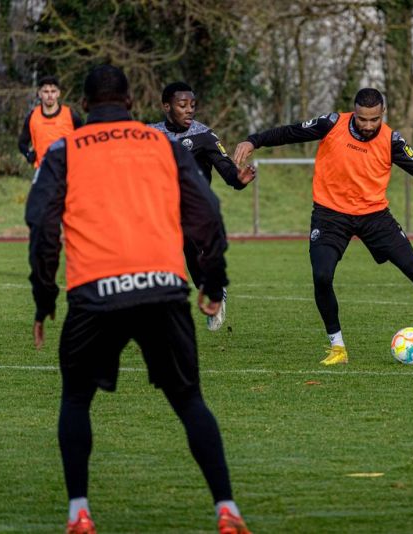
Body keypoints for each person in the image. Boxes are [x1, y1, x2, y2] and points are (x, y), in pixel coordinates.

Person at [26, 65, 251, 534]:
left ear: (82, 105)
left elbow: (43, 227)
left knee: (75, 399)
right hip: (162, 290)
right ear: (131, 101)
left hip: (94, 294)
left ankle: (79, 513)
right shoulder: (164, 145)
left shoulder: (64, 149)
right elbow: (206, 212)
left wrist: (44, 298)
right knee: (189, 400)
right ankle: (227, 509)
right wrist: (212, 282)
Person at [233, 88, 413, 366]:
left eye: (374, 119)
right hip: (330, 215)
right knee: (322, 276)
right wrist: (254, 141)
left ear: (382, 114)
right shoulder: (332, 124)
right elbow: (290, 132)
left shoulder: (391, 141)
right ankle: (338, 348)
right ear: (354, 112)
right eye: (362, 119)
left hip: (375, 216)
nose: (367, 125)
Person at [148, 82, 256, 332]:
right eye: (182, 105)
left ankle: (216, 295)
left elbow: (226, 167)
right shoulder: (150, 133)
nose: (189, 110)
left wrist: (237, 180)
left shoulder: (203, 135)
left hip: (192, 210)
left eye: (192, 105)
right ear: (166, 106)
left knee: (195, 260)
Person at [17, 75, 83, 168]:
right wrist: (28, 154)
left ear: (58, 93)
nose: (50, 95)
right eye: (46, 92)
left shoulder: (71, 116)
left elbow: (83, 141)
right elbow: (22, 143)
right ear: (39, 94)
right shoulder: (33, 117)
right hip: (43, 170)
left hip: (67, 170)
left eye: (53, 91)